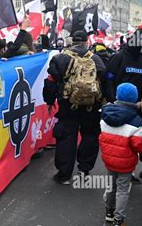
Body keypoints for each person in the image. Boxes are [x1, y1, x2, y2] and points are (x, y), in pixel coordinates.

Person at [44, 30, 106, 185]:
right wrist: (105, 101)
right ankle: (84, 169)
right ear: (87, 42)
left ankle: (64, 175)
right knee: (90, 135)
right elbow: (105, 80)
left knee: (66, 137)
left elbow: (50, 81)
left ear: (72, 41)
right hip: (91, 105)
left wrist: (49, 101)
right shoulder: (96, 59)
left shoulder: (60, 58)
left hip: (67, 104)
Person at [100, 83, 142, 226]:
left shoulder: (105, 114)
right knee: (123, 190)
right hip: (125, 163)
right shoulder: (136, 120)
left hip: (109, 160)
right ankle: (118, 223)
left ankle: (109, 212)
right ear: (135, 99)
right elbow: (139, 146)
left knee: (111, 186)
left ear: (117, 96)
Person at [105, 29, 142, 182]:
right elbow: (108, 79)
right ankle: (125, 171)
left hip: (141, 105)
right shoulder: (118, 57)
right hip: (122, 106)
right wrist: (112, 99)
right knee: (124, 139)